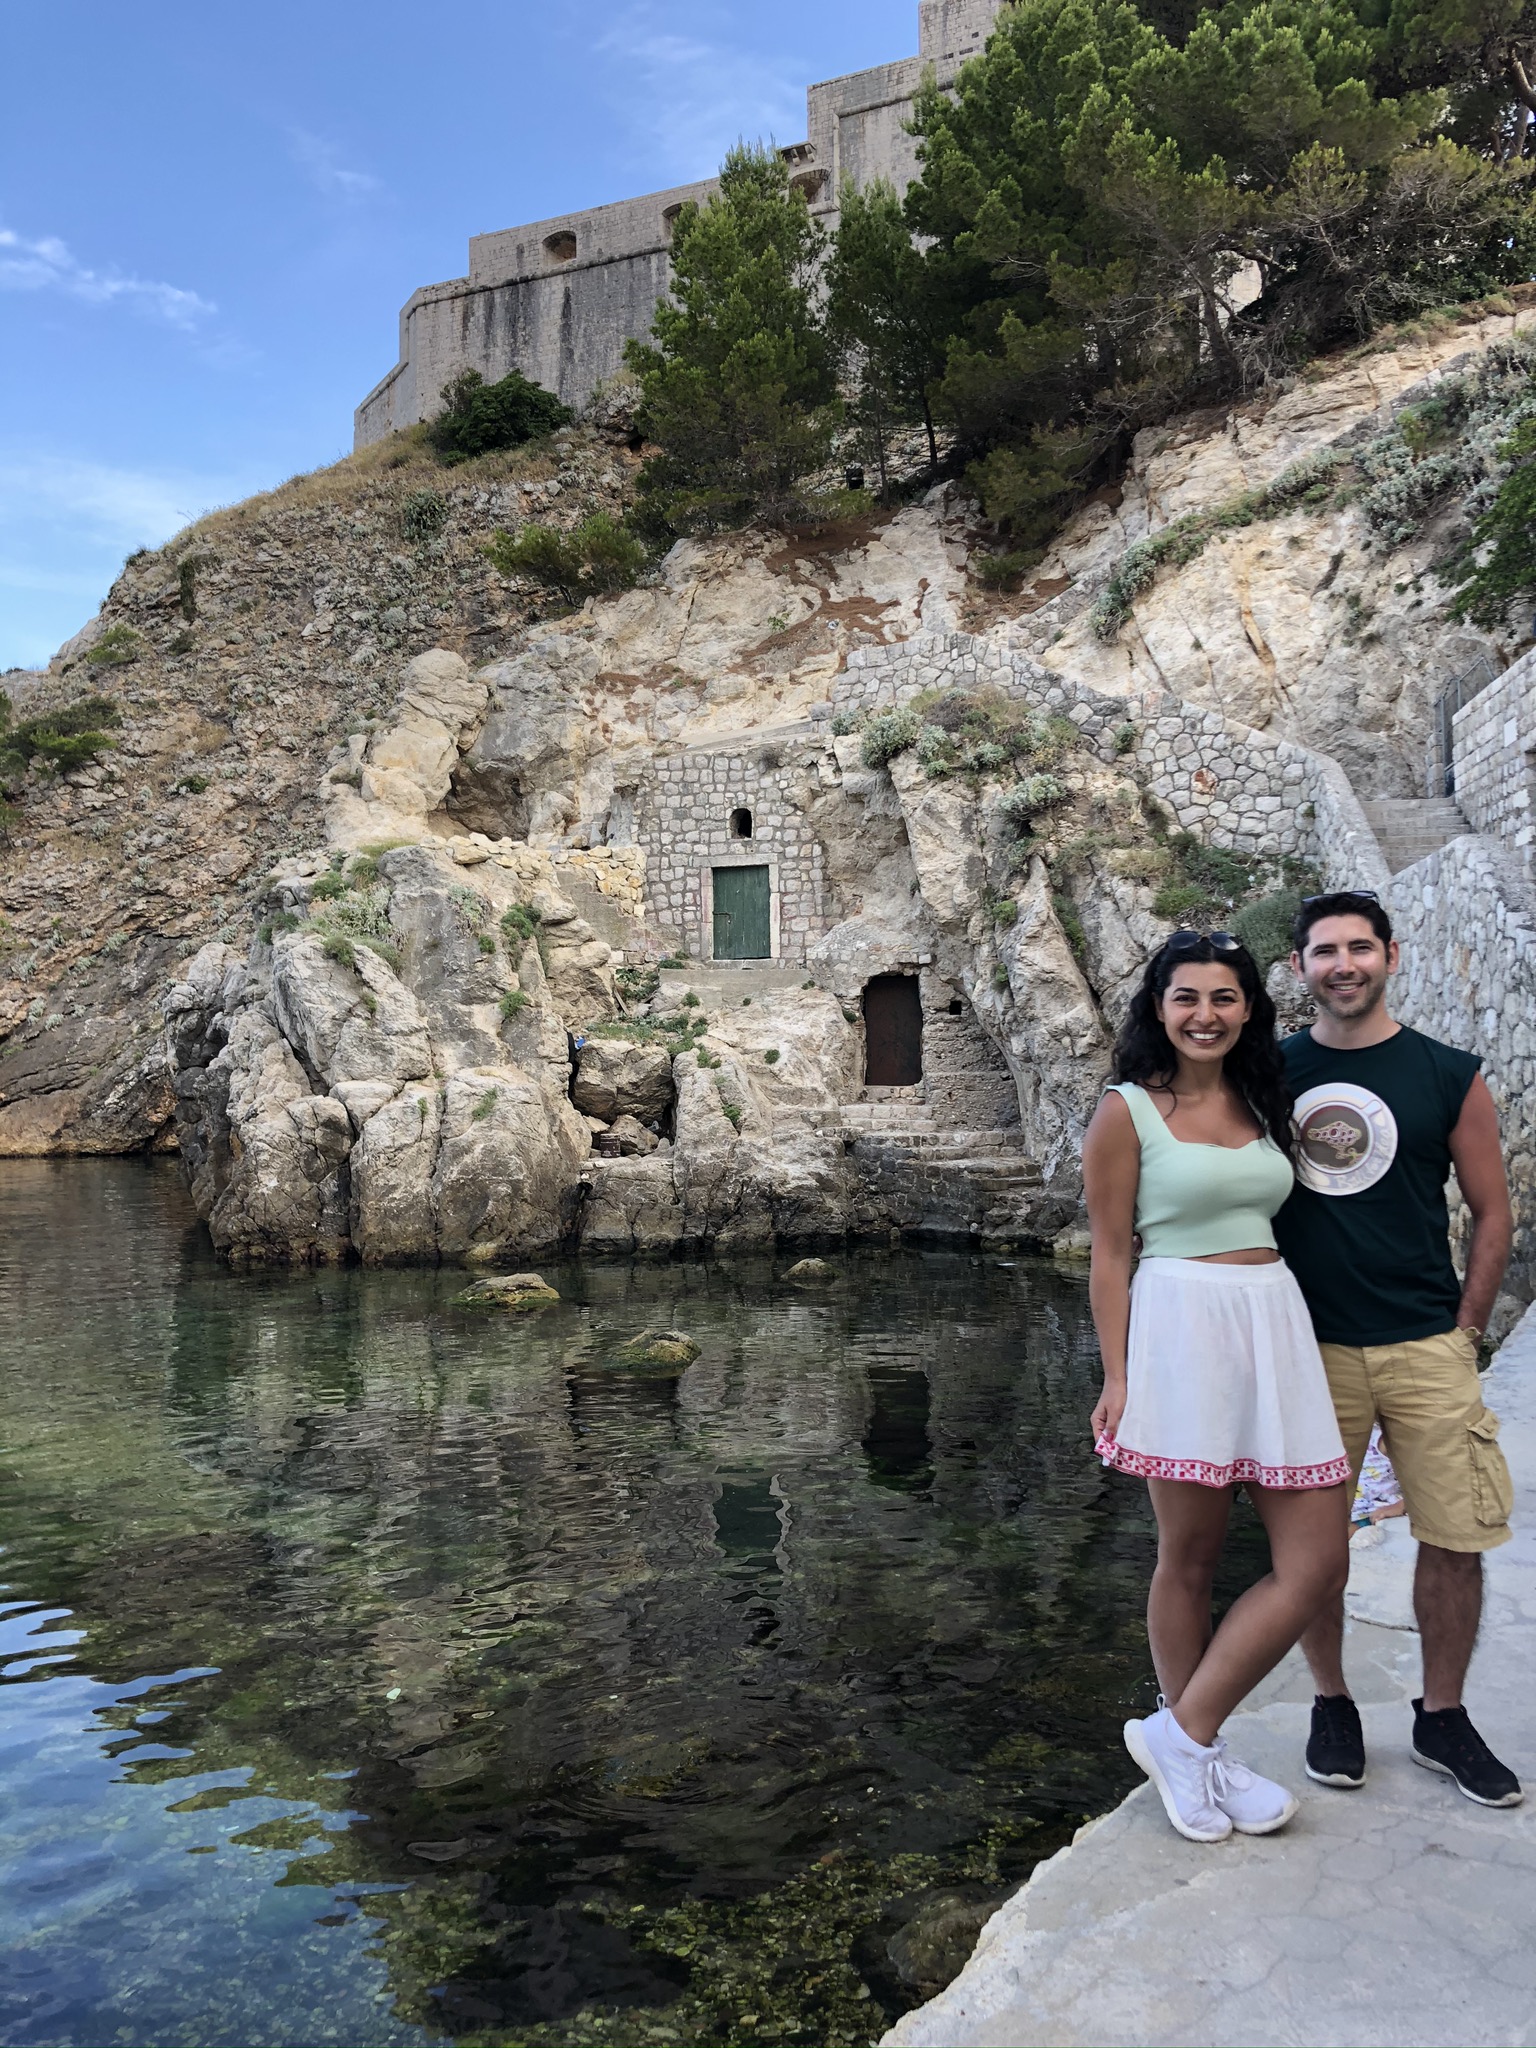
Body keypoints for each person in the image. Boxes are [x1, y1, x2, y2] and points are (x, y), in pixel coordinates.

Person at [1084, 931, 1352, 1844]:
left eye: (1225, 998)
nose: (1206, 1015)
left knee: (1316, 1562)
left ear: (1249, 1008)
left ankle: (1183, 1736)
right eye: (1187, 998)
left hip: (1272, 1320)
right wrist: (1119, 1375)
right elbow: (1110, 1254)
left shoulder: (1262, 1094)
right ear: (1158, 1008)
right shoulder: (1126, 1110)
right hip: (1180, 1327)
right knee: (1189, 1555)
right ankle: (1200, 1751)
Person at [1275, 890, 1523, 1808]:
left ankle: (1443, 1715)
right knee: (1313, 1548)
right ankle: (1331, 1702)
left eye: (1359, 947)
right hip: (1309, 1347)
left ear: (1391, 954)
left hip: (1426, 1341)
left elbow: (1493, 1211)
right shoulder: (1271, 1072)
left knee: (1456, 1537)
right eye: (1325, 950)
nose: (1343, 964)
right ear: (1299, 967)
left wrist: (1468, 1328)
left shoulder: (1447, 1073)